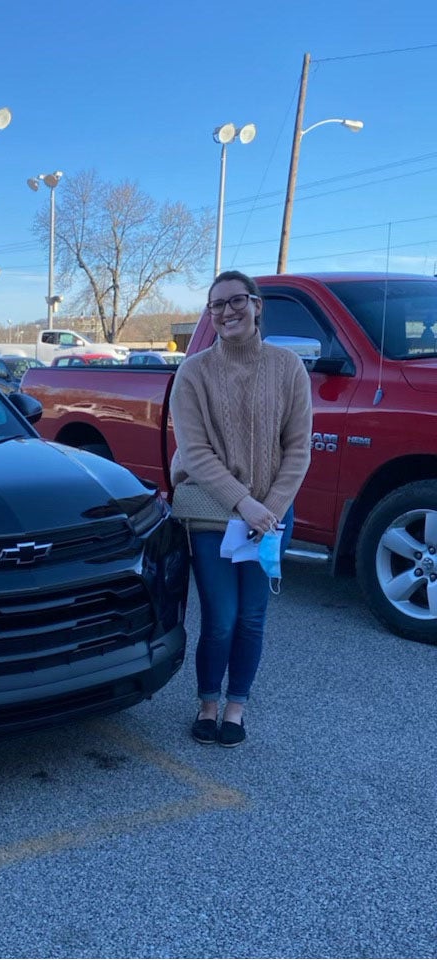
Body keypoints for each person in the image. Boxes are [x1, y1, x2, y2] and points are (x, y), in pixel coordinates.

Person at [168, 270, 312, 747]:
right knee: (221, 616)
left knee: (252, 617)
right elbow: (194, 453)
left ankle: (236, 707)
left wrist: (268, 508)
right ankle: (207, 702)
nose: (226, 312)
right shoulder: (193, 372)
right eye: (216, 306)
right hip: (213, 514)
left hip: (270, 517)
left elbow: (297, 449)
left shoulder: (289, 367)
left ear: (256, 306)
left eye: (235, 301)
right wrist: (243, 503)